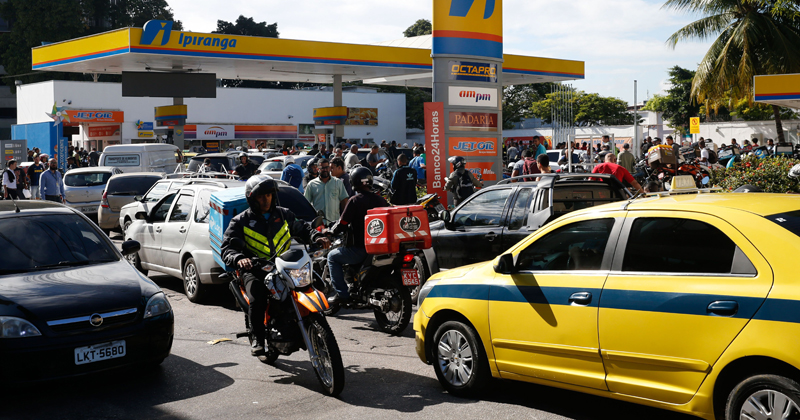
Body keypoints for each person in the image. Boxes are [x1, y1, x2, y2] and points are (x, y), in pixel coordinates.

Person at [221, 175, 328, 356]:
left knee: (315, 284)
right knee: (257, 297)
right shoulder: (240, 221)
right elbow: (227, 248)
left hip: (284, 265)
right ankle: (257, 337)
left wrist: (317, 237)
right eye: (261, 196)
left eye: (269, 195)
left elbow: (303, 228)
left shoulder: (284, 214)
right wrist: (239, 258)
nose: (266, 200)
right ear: (252, 198)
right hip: (255, 269)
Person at [326, 167, 389, 305]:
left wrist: (330, 231)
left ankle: (342, 294)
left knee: (332, 257)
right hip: (381, 249)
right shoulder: (381, 201)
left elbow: (343, 223)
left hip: (361, 249)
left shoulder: (354, 200)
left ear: (353, 182)